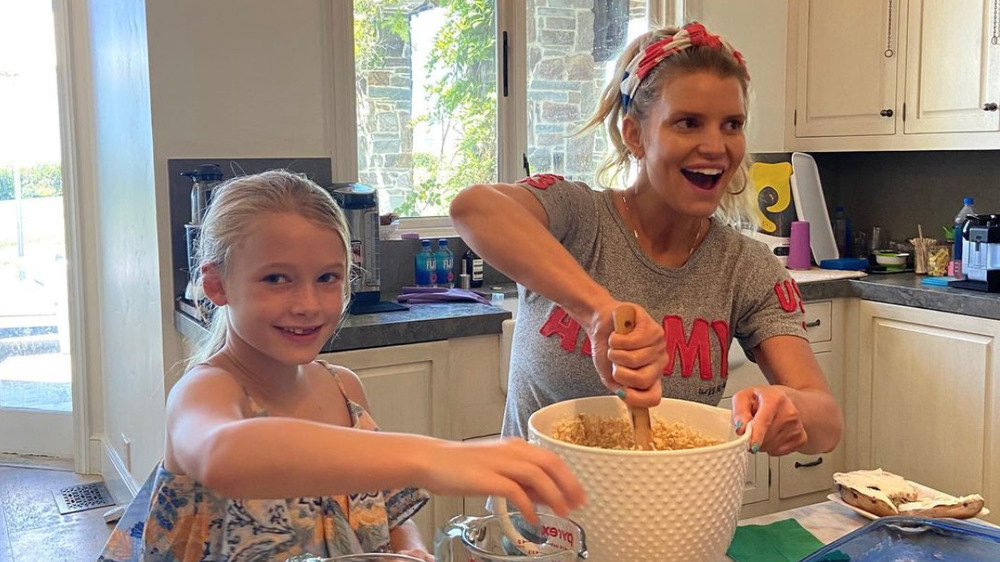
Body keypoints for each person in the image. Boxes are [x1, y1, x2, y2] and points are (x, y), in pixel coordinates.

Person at [111, 171, 583, 561]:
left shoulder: (344, 390)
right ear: (217, 285)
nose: (308, 303)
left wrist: (412, 550)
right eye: (276, 278)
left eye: (327, 278)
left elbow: (390, 516)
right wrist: (437, 457)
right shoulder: (207, 392)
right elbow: (223, 455)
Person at [450, 23, 842, 457]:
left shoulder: (746, 267)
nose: (716, 146)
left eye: (732, 124)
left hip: (664, 518)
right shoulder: (577, 218)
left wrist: (790, 407)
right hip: (535, 520)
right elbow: (474, 208)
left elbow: (826, 424)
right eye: (688, 123)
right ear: (635, 134)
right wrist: (599, 313)